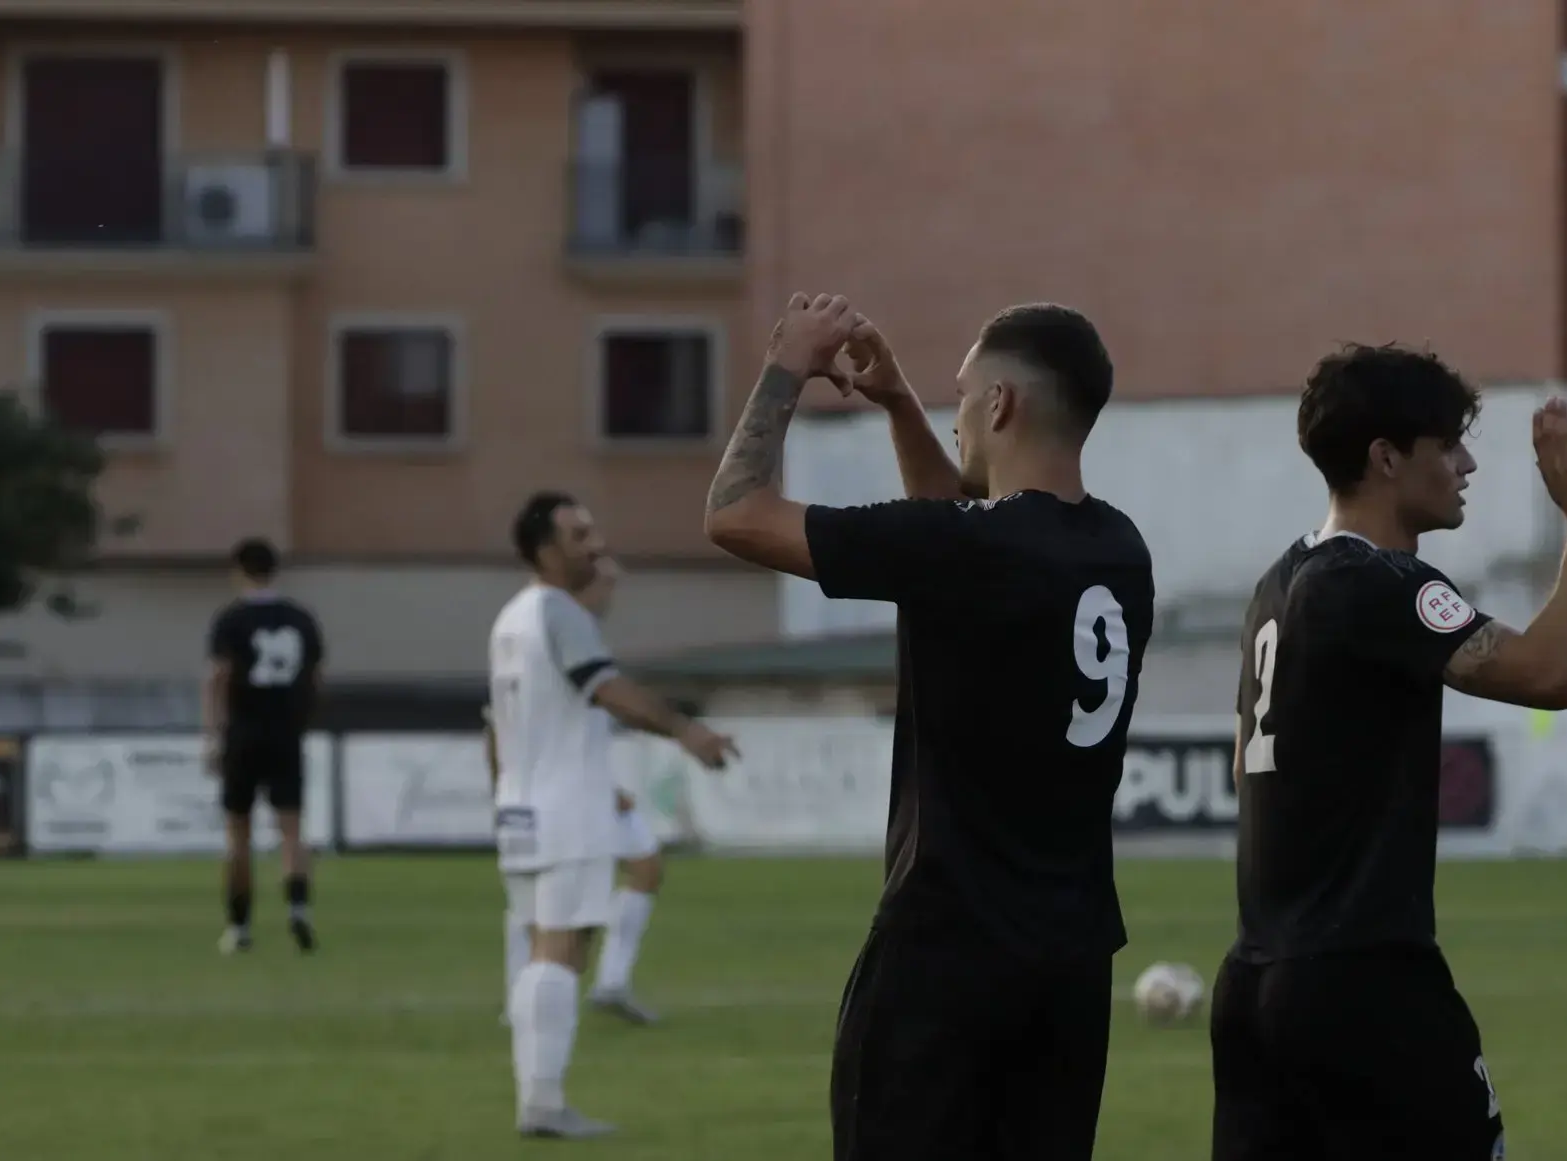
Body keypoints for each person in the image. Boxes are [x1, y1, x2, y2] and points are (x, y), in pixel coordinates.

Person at [703, 294, 1154, 1161]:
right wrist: (901, 404)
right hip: (1069, 965)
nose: (956, 420)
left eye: (959, 398)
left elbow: (735, 513)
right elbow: (959, 534)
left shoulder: (970, 550)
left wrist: (787, 365)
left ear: (1000, 405)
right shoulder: (1116, 549)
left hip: (946, 955)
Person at [1212, 344, 1567, 1161]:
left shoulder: (1277, 585)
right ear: (1386, 458)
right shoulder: (1375, 582)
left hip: (1256, 982)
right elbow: (1550, 670)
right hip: (1366, 984)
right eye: (1447, 445)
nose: (1466, 464)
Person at [489, 491, 737, 1139]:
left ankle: (539, 1096)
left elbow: (498, 725)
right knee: (561, 948)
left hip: (520, 805)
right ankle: (542, 1102)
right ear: (545, 549)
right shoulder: (557, 609)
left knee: (550, 943)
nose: (593, 543)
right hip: (566, 805)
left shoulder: (510, 617)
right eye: (579, 534)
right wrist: (686, 730)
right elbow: (609, 690)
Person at [492, 555, 667, 1027]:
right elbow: (501, 725)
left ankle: (609, 983)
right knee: (541, 905)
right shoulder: (547, 628)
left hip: (582, 791)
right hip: (553, 798)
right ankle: (523, 997)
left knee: (646, 865)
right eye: (606, 583)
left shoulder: (576, 631)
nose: (611, 594)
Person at [202, 537, 325, 955]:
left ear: (239, 570)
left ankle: (238, 927)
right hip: (285, 732)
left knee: (238, 834)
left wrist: (213, 736)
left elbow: (218, 678)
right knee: (291, 830)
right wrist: (302, 718)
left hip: (243, 733)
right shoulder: (300, 618)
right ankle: (297, 908)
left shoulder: (231, 620)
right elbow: (316, 676)